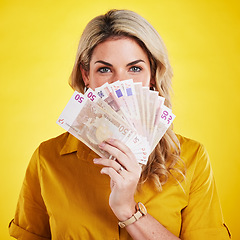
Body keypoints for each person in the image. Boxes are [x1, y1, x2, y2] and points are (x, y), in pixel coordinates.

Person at [9, 9, 231, 240]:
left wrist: (127, 210)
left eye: (135, 68)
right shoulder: (47, 159)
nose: (120, 84)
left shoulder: (192, 159)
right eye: (104, 69)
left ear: (153, 75)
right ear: (86, 76)